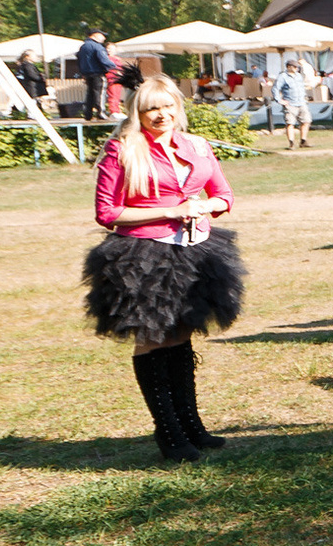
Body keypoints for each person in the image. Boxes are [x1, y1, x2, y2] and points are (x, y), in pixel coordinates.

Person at [82, 74, 245, 463]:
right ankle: (169, 433)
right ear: (138, 111)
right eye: (152, 108)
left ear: (178, 107)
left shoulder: (198, 146)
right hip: (142, 256)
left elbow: (223, 196)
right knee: (154, 338)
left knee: (181, 335)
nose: (161, 114)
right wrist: (173, 209)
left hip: (195, 251)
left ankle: (191, 425)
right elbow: (107, 213)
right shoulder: (121, 150)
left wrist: (204, 207)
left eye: (167, 105)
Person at [275, 56, 313, 150]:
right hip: (290, 103)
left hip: (301, 102)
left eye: (297, 67)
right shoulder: (283, 77)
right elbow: (275, 88)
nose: (297, 68)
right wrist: (279, 100)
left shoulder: (298, 76)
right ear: (289, 67)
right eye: (295, 67)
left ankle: (303, 141)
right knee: (290, 123)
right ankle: (291, 143)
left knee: (306, 121)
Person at [76, 28, 112, 119]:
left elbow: (79, 60)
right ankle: (101, 113)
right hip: (98, 73)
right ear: (95, 35)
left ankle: (88, 114)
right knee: (99, 93)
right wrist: (115, 67)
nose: (104, 38)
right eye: (102, 35)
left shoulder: (83, 47)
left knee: (90, 94)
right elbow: (104, 60)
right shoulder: (97, 46)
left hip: (87, 74)